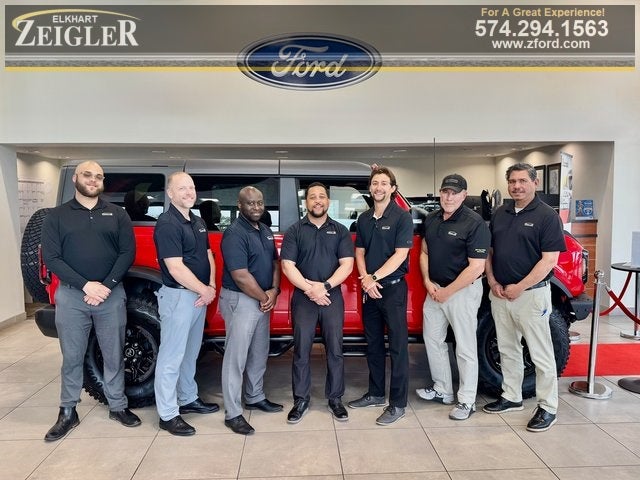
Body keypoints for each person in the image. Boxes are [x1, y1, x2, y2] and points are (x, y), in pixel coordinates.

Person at [41, 160, 141, 441]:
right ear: (76, 178)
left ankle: (118, 406)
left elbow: (127, 253)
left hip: (110, 295)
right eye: (88, 175)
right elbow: (52, 258)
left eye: (99, 176)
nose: (93, 180)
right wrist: (86, 285)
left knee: (113, 354)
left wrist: (105, 287)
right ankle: (67, 411)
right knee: (72, 357)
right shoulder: (56, 216)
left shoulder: (117, 214)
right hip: (72, 296)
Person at [483, 163, 566, 432]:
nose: (516, 186)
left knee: (541, 354)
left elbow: (549, 260)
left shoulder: (547, 216)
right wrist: (493, 281)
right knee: (507, 349)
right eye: (512, 181)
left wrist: (520, 286)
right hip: (500, 293)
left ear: (535, 182)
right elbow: (490, 252)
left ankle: (547, 407)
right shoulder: (501, 213)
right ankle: (511, 396)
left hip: (531, 295)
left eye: (522, 181)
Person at [416, 174, 490, 420]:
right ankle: (443, 389)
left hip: (462, 292)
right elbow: (424, 251)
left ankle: (467, 401)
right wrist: (428, 282)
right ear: (440, 193)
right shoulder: (432, 219)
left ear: (464, 195)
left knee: (465, 347)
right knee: (432, 340)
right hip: (435, 290)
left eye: (454, 193)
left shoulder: (474, 223)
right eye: (445, 192)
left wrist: (448, 291)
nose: (448, 197)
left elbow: (477, 267)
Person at [280, 182, 354, 424]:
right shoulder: (295, 231)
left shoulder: (340, 230)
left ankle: (335, 399)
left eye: (322, 196)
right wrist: (310, 289)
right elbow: (287, 266)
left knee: (335, 349)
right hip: (304, 299)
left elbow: (347, 265)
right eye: (313, 197)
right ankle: (300, 400)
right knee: (301, 350)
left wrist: (325, 287)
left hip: (332, 297)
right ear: (306, 202)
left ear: (328, 202)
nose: (318, 201)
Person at [153, 172, 220, 437]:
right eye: (182, 188)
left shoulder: (197, 220)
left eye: (191, 188)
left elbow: (208, 255)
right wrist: (204, 290)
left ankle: (188, 397)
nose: (189, 192)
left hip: (199, 297)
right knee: (171, 357)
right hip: (179, 297)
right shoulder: (167, 223)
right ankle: (168, 414)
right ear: (170, 193)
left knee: (190, 353)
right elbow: (175, 268)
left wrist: (210, 286)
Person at [348, 166, 414, 425]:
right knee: (373, 344)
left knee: (398, 347)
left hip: (392, 289)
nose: (379, 187)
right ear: (370, 188)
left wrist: (373, 278)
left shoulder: (402, 217)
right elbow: (360, 252)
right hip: (370, 290)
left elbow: (401, 254)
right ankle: (376, 394)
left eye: (384, 183)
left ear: (393, 188)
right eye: (375, 183)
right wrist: (366, 280)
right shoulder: (364, 218)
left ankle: (397, 404)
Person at [219, 186, 283, 435]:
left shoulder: (264, 230)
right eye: (250, 203)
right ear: (239, 205)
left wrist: (274, 291)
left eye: (259, 203)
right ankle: (233, 413)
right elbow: (240, 275)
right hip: (241, 299)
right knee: (236, 358)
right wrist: (265, 297)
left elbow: (275, 263)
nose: (256, 207)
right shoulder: (234, 233)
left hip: (262, 299)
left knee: (259, 352)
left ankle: (255, 397)